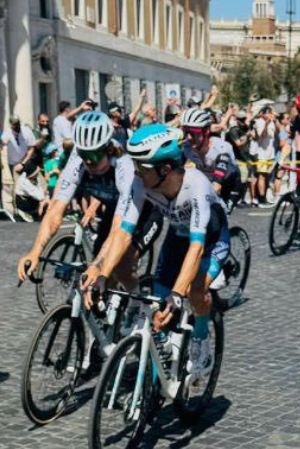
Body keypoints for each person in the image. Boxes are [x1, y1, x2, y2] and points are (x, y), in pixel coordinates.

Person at [80, 124, 229, 395]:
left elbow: (196, 249)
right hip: (178, 234)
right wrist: (103, 274)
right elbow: (124, 233)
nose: (135, 172)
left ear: (165, 169)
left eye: (142, 166)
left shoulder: (196, 185)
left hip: (210, 239)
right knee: (158, 303)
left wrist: (177, 294)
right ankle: (164, 358)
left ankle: (201, 339)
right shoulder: (142, 182)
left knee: (194, 289)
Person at [16, 112, 138, 290]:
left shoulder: (123, 166)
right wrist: (35, 251)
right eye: (83, 154)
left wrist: (98, 266)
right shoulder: (78, 157)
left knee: (120, 267)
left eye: (94, 156)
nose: (88, 161)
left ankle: (137, 305)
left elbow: (119, 229)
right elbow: (56, 210)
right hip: (111, 206)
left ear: (109, 149)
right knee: (98, 277)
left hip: (139, 210)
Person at [180, 107, 240, 206]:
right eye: (186, 132)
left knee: (219, 214)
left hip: (229, 184)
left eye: (193, 132)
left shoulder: (221, 148)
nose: (189, 137)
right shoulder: (186, 147)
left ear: (206, 131)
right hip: (208, 179)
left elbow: (217, 187)